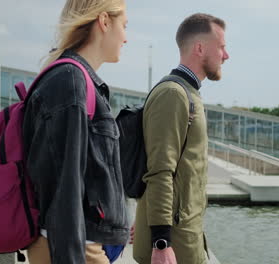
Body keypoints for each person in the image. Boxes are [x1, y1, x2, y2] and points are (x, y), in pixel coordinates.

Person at [22, 0, 129, 263]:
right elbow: (64, 184)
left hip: (80, 244)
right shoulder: (70, 81)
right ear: (104, 22)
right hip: (74, 248)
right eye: (124, 26)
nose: (127, 38)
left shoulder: (76, 79)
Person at [132, 13, 229, 264]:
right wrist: (160, 241)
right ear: (200, 48)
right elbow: (160, 170)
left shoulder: (188, 93)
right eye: (221, 47)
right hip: (173, 249)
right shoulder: (173, 95)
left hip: (186, 240)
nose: (225, 55)